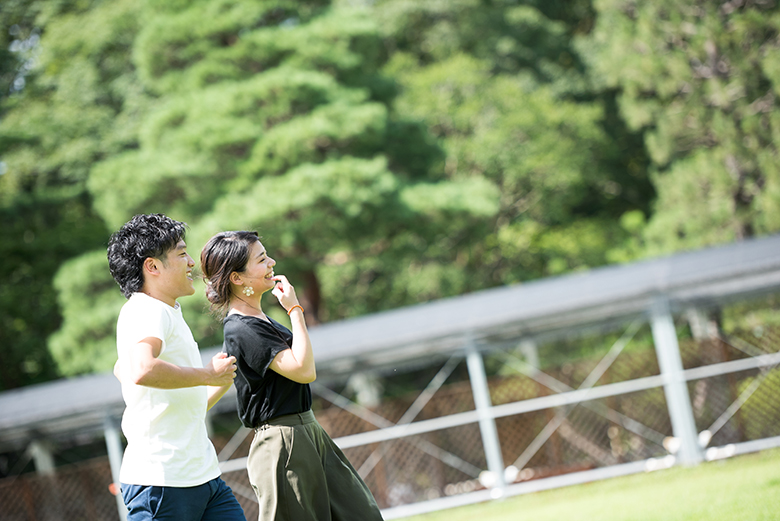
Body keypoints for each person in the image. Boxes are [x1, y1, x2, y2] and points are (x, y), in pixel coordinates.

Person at [200, 231, 384, 521]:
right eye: (261, 259)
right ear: (237, 278)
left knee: (363, 515)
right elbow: (304, 370)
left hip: (308, 430)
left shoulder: (258, 320)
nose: (272, 262)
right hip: (282, 441)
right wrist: (295, 309)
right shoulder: (242, 328)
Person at [107, 213, 246, 521]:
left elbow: (131, 372)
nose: (191, 262)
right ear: (152, 267)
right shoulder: (147, 309)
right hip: (162, 484)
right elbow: (141, 369)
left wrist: (219, 381)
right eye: (182, 253)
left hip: (204, 478)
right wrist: (208, 374)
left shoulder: (167, 312)